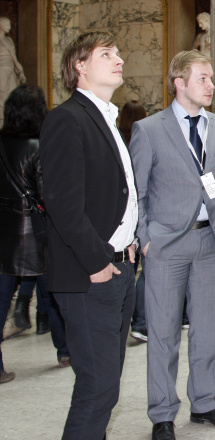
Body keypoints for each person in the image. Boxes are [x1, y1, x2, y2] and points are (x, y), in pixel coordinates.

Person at [130, 50, 215, 440]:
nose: (211, 85)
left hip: (209, 242)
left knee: (208, 331)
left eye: (212, 78)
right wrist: (146, 239)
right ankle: (162, 413)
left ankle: (205, 402)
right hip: (166, 246)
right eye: (203, 79)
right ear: (179, 82)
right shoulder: (149, 130)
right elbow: (137, 193)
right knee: (162, 334)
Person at [39, 32, 138, 439]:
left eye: (118, 52)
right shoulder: (67, 118)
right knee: (96, 388)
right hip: (90, 274)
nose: (118, 59)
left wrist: (126, 239)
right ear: (79, 66)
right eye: (106, 54)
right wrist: (98, 261)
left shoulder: (104, 117)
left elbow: (112, 192)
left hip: (118, 264)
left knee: (106, 387)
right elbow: (62, 203)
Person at [0, 85, 69, 384]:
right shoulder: (40, 147)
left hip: (3, 234)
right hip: (37, 233)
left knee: (0, 299)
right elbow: (47, 194)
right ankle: (66, 351)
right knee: (52, 296)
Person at [118, 101, 149, 343]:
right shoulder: (144, 139)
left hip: (124, 214)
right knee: (145, 273)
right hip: (140, 212)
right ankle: (138, 322)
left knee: (129, 269)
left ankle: (126, 320)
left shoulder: (118, 139)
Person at [0, 17, 26, 125]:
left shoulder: (9, 40)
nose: (10, 28)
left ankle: (9, 120)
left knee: (11, 95)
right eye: (7, 25)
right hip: (1, 70)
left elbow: (14, 58)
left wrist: (20, 71)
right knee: (2, 94)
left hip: (11, 70)